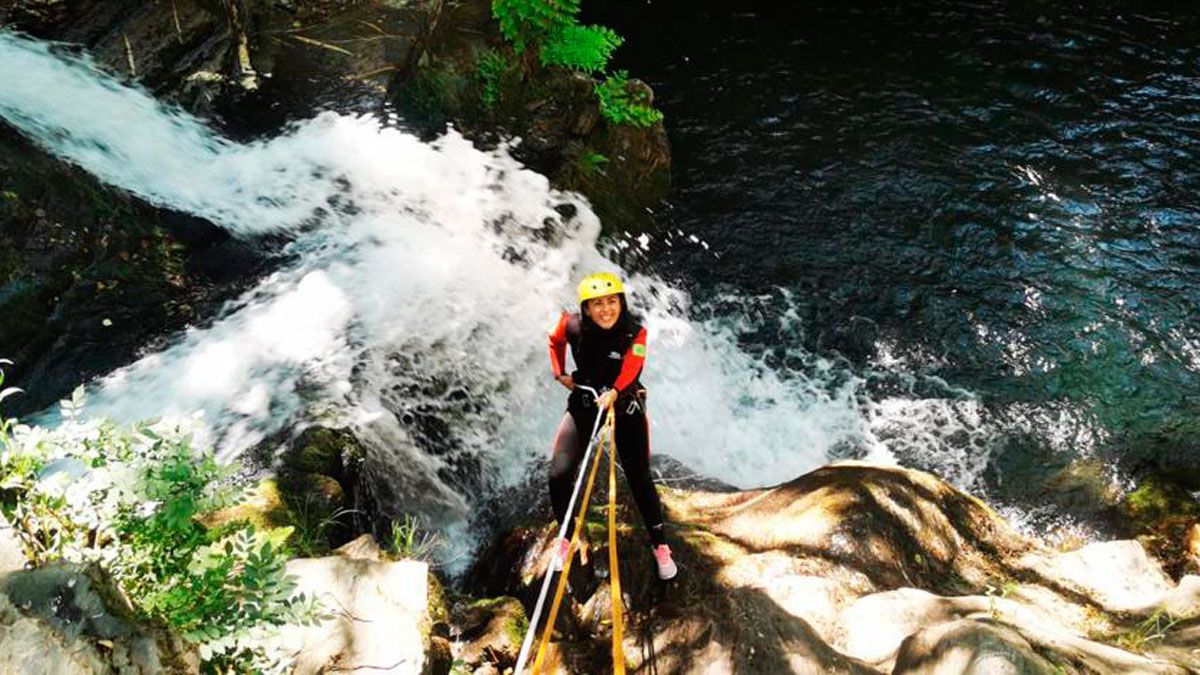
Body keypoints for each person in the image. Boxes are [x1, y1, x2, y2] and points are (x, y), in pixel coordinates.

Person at [546, 272, 677, 580]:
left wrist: (616, 392)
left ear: (621, 303)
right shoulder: (571, 325)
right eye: (598, 304)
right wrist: (559, 373)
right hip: (587, 399)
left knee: (639, 476)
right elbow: (554, 340)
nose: (606, 310)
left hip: (624, 402)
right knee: (558, 473)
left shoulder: (635, 333)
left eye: (612, 301)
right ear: (586, 309)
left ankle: (660, 545)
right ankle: (566, 535)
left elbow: (633, 367)